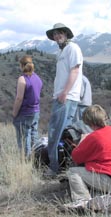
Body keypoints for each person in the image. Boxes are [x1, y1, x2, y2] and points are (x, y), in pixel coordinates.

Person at [64, 105, 111, 210]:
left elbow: (76, 158)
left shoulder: (92, 137)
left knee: (73, 172)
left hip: (110, 181)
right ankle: (104, 198)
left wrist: (82, 141)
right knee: (97, 179)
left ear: (90, 123)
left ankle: (82, 201)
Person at [45, 23, 83, 176]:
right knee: (67, 134)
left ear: (66, 34)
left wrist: (65, 93)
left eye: (60, 33)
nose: (57, 36)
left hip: (66, 97)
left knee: (56, 132)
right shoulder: (61, 52)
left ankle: (55, 167)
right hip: (62, 96)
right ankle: (67, 165)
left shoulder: (73, 48)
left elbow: (75, 70)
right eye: (55, 34)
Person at [12, 55, 43, 159]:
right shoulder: (37, 78)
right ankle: (36, 157)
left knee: (24, 138)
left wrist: (15, 113)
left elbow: (19, 98)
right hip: (36, 111)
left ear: (21, 65)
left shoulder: (22, 79)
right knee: (34, 135)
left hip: (25, 112)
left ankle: (26, 159)